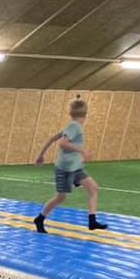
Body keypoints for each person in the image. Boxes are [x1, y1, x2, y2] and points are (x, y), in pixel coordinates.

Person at [33, 97, 107, 232]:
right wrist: (82, 150)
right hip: (65, 169)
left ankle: (92, 221)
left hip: (75, 167)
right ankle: (40, 218)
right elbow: (62, 143)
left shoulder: (71, 125)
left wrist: (40, 154)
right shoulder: (75, 126)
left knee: (93, 188)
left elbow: (52, 138)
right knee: (60, 197)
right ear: (86, 114)